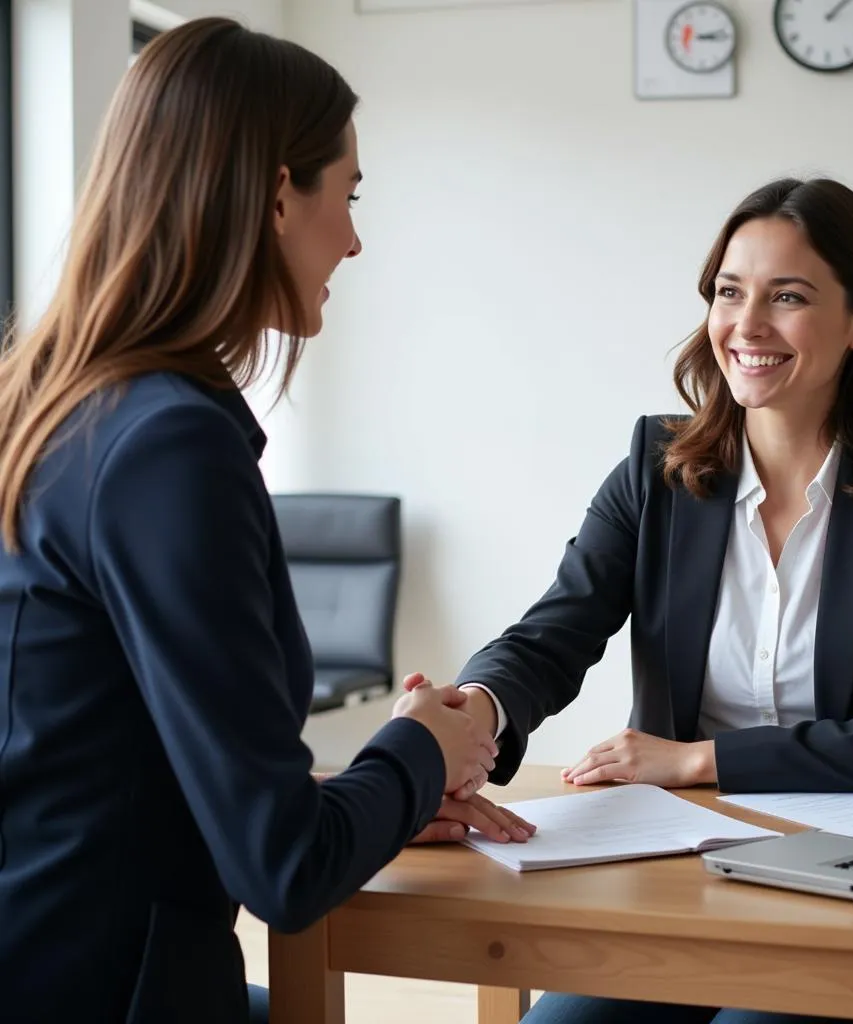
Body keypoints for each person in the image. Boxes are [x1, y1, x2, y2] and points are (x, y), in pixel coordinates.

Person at [0, 18, 534, 1024]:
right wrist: (419, 748)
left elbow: (119, 761)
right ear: (277, 193)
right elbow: (283, 869)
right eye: (349, 194)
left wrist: (379, 792)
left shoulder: (58, 407)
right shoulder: (169, 447)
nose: (355, 237)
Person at [416, 177, 853, 1023]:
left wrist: (700, 760)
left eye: (790, 297)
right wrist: (472, 714)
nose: (748, 326)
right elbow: (555, 631)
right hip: (678, 870)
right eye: (730, 292)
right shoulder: (655, 469)